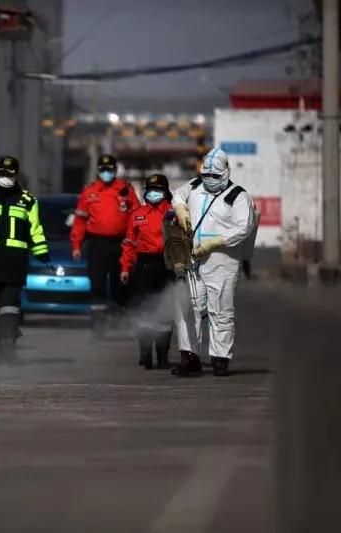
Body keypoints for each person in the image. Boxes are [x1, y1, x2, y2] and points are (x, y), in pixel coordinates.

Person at [171, 148, 256, 377]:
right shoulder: (194, 186)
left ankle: (220, 359)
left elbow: (243, 228)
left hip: (222, 260)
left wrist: (213, 243)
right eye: (206, 175)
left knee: (221, 310)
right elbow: (178, 195)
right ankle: (190, 357)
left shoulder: (237, 196)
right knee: (188, 307)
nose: (209, 179)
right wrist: (180, 210)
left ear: (226, 172)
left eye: (214, 176)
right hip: (193, 259)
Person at [0, 156, 49, 364]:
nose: (5, 177)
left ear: (16, 175)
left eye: (9, 174)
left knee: (10, 306)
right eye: (2, 173)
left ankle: (9, 350)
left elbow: (35, 230)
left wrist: (42, 252)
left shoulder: (28, 201)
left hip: (13, 263)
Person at [70, 154, 140, 334]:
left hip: (121, 244)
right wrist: (76, 245)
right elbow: (80, 221)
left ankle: (121, 322)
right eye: (103, 169)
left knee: (122, 283)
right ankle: (98, 326)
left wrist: (137, 243)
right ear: (98, 171)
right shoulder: (90, 192)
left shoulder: (125, 190)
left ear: (115, 170)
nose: (106, 172)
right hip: (97, 244)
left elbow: (137, 217)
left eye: (109, 169)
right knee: (97, 284)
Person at [119, 174, 173, 370]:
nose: (153, 193)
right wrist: (125, 268)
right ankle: (145, 351)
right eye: (150, 190)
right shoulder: (138, 214)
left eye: (157, 190)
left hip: (167, 264)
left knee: (165, 310)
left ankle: (163, 354)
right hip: (144, 264)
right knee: (145, 308)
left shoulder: (174, 213)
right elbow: (129, 244)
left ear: (165, 192)